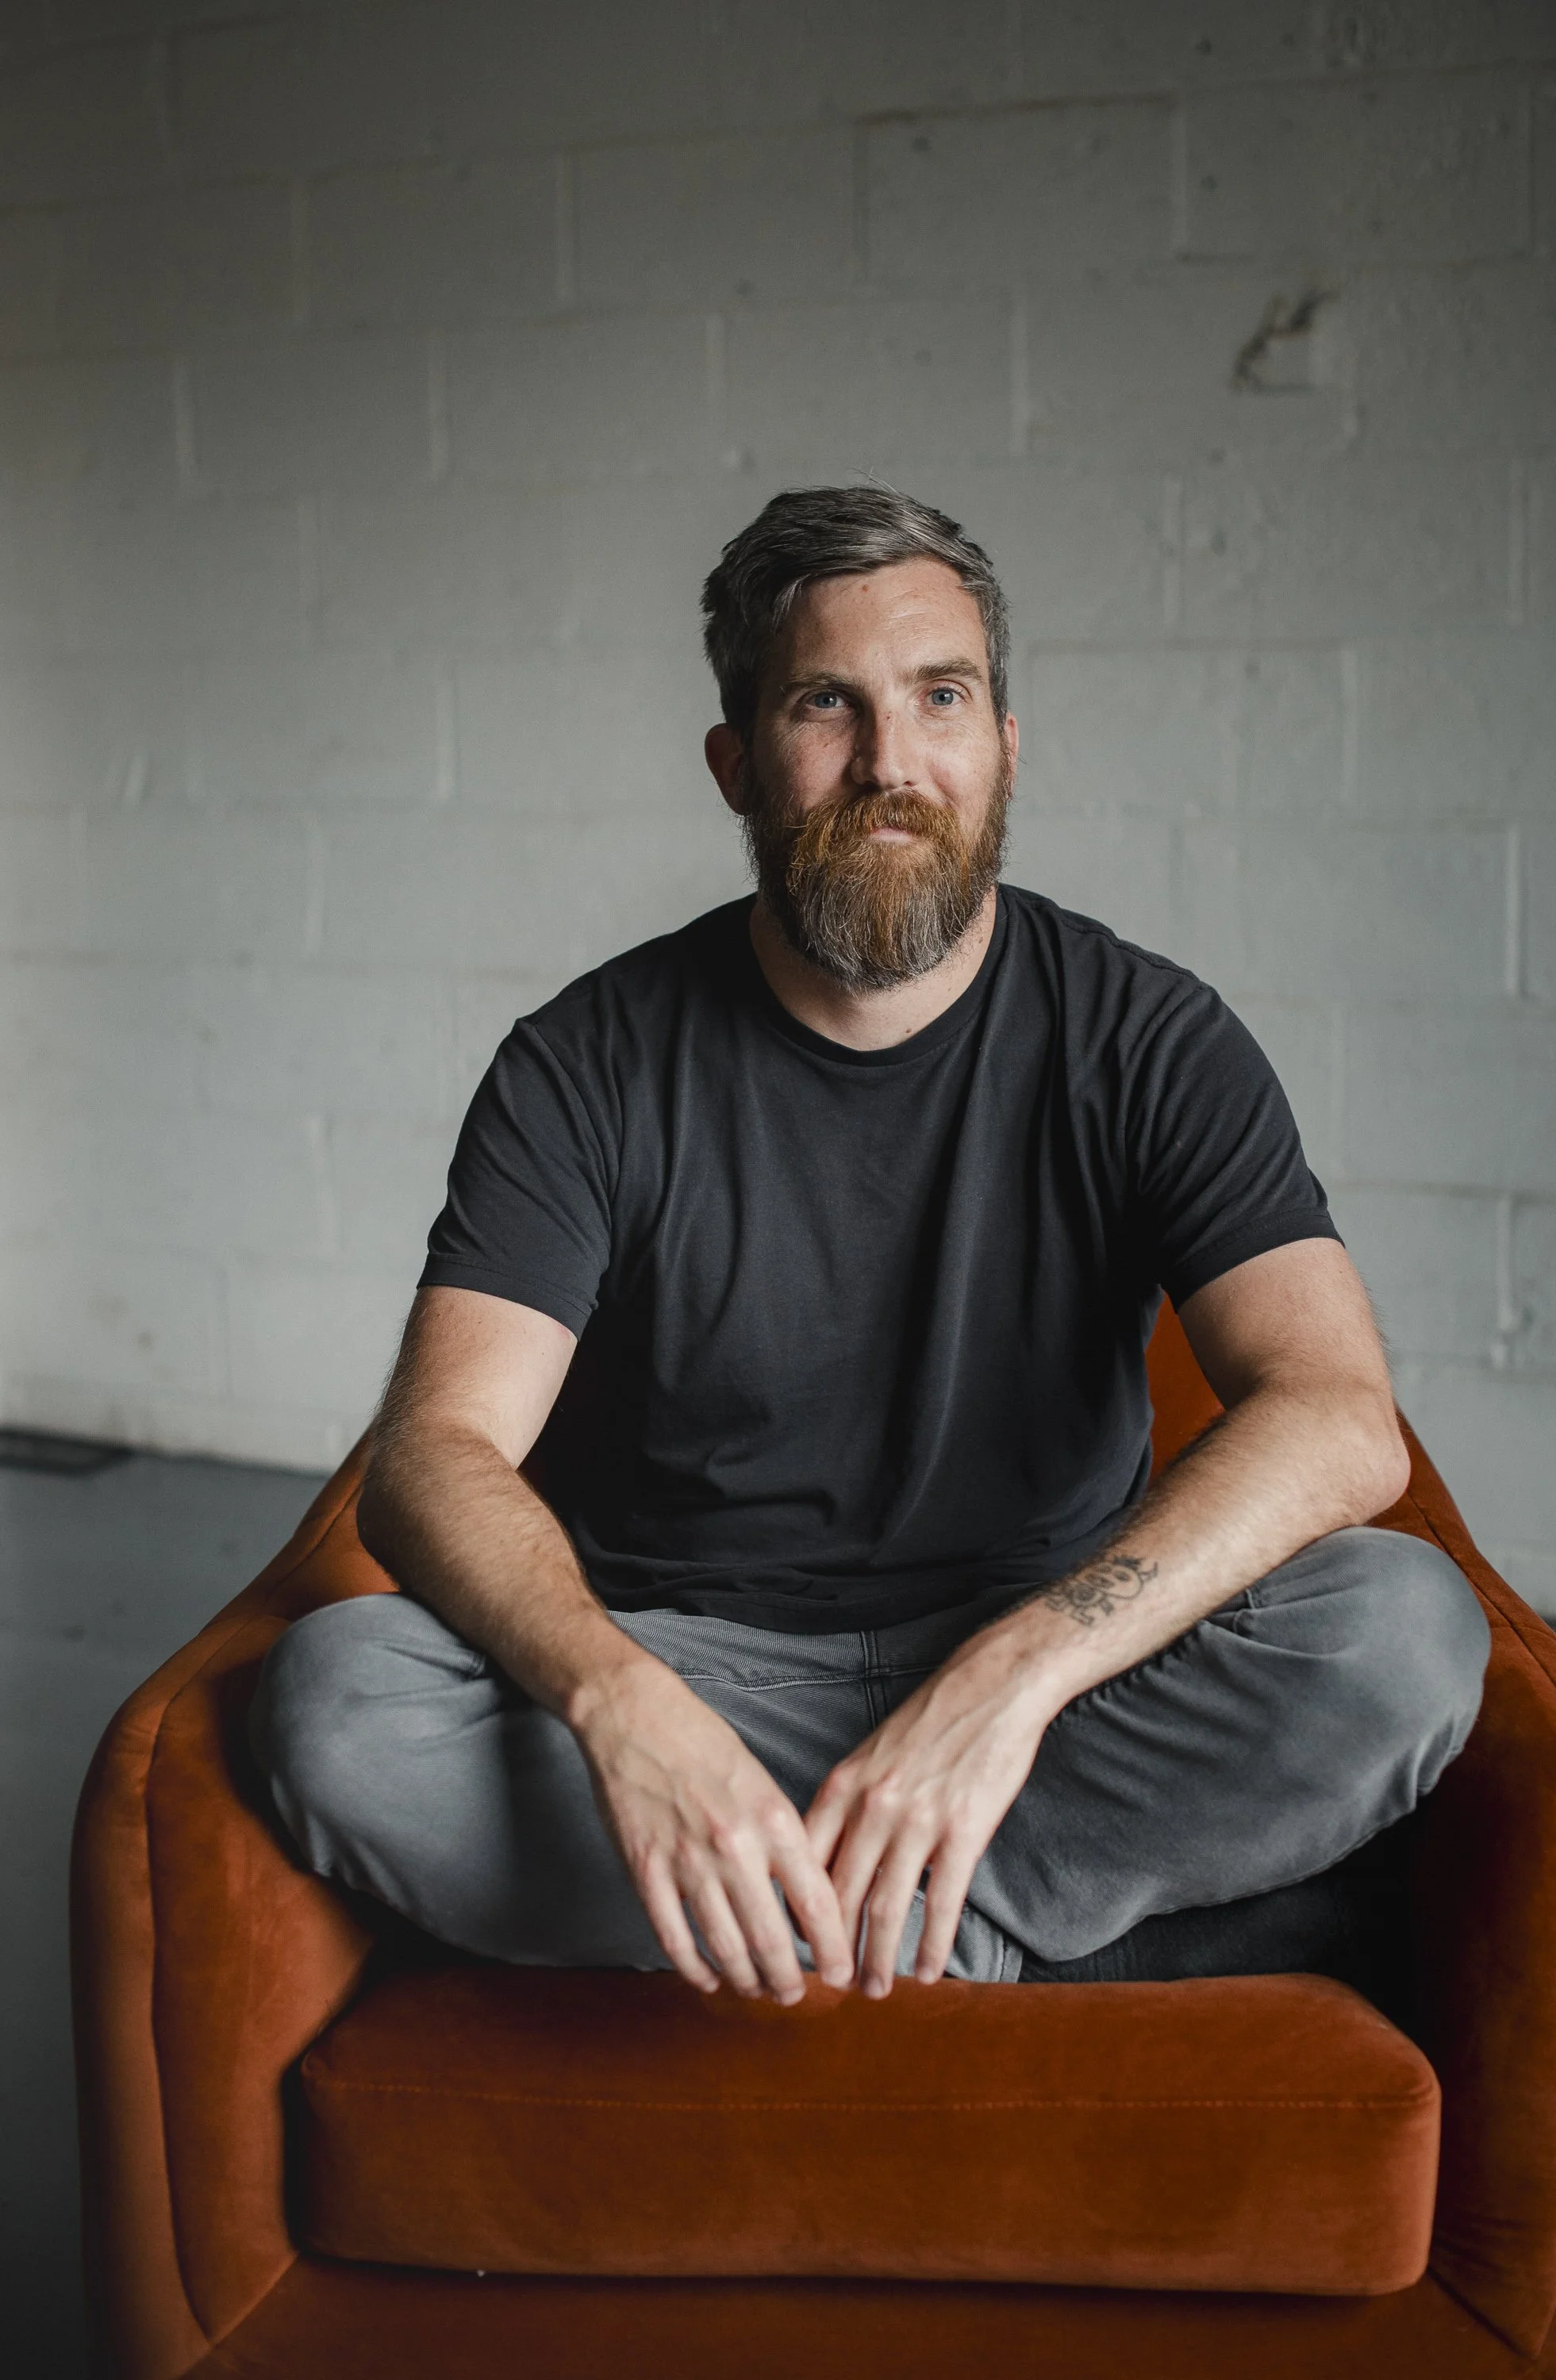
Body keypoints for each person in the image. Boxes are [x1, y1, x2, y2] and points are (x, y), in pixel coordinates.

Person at [251, 485, 1489, 2009]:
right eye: (826, 705)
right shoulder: (585, 1063)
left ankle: (784, 1934)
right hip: (697, 1678)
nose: (892, 763)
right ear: (737, 765)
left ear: (1007, 747)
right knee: (339, 1705)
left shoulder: (1151, 1036)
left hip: (1055, 1685)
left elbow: (1338, 1414)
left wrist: (1008, 1681)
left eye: (942, 698)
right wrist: (623, 1708)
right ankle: (1046, 1940)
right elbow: (432, 1451)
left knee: (1398, 1637)